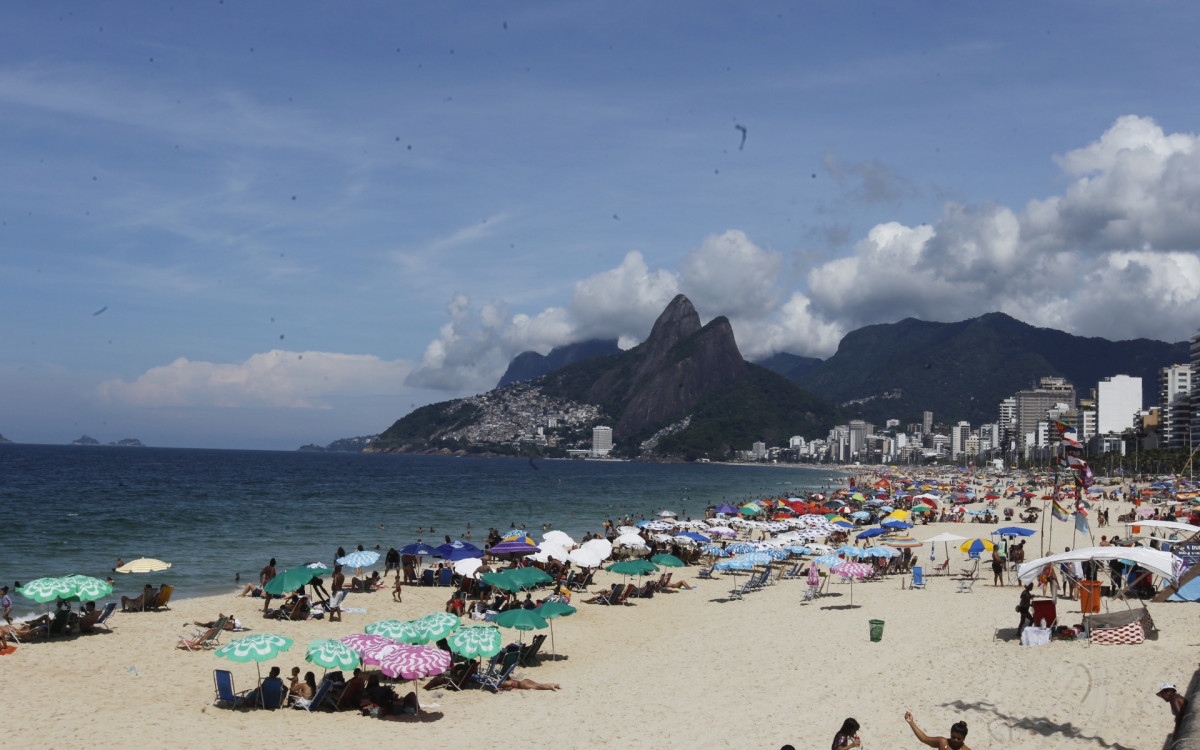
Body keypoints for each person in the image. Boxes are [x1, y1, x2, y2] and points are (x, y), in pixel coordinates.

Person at [904, 713, 970, 750]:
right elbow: (924, 738)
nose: (955, 740)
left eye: (959, 739)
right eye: (953, 737)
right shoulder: (942, 742)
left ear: (964, 738)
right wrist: (911, 722)